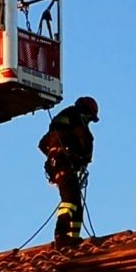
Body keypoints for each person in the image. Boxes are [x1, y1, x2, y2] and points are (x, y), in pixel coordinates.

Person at [38, 96, 100, 248]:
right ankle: (62, 236)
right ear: (87, 112)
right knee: (70, 201)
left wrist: (54, 154)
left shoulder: (62, 118)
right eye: (90, 118)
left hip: (58, 165)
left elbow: (42, 144)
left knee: (76, 202)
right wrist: (83, 158)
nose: (89, 121)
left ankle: (73, 237)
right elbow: (85, 138)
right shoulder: (77, 117)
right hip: (65, 165)